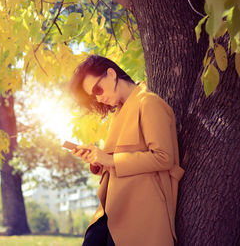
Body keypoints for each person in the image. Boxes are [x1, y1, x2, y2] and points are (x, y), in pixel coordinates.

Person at [69, 55, 184, 246]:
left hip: (140, 210)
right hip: (111, 208)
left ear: (112, 74)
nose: (99, 97)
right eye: (93, 95)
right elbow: (116, 160)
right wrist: (97, 161)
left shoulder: (148, 102)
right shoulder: (118, 114)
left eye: (98, 89)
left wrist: (110, 161)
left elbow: (164, 158)